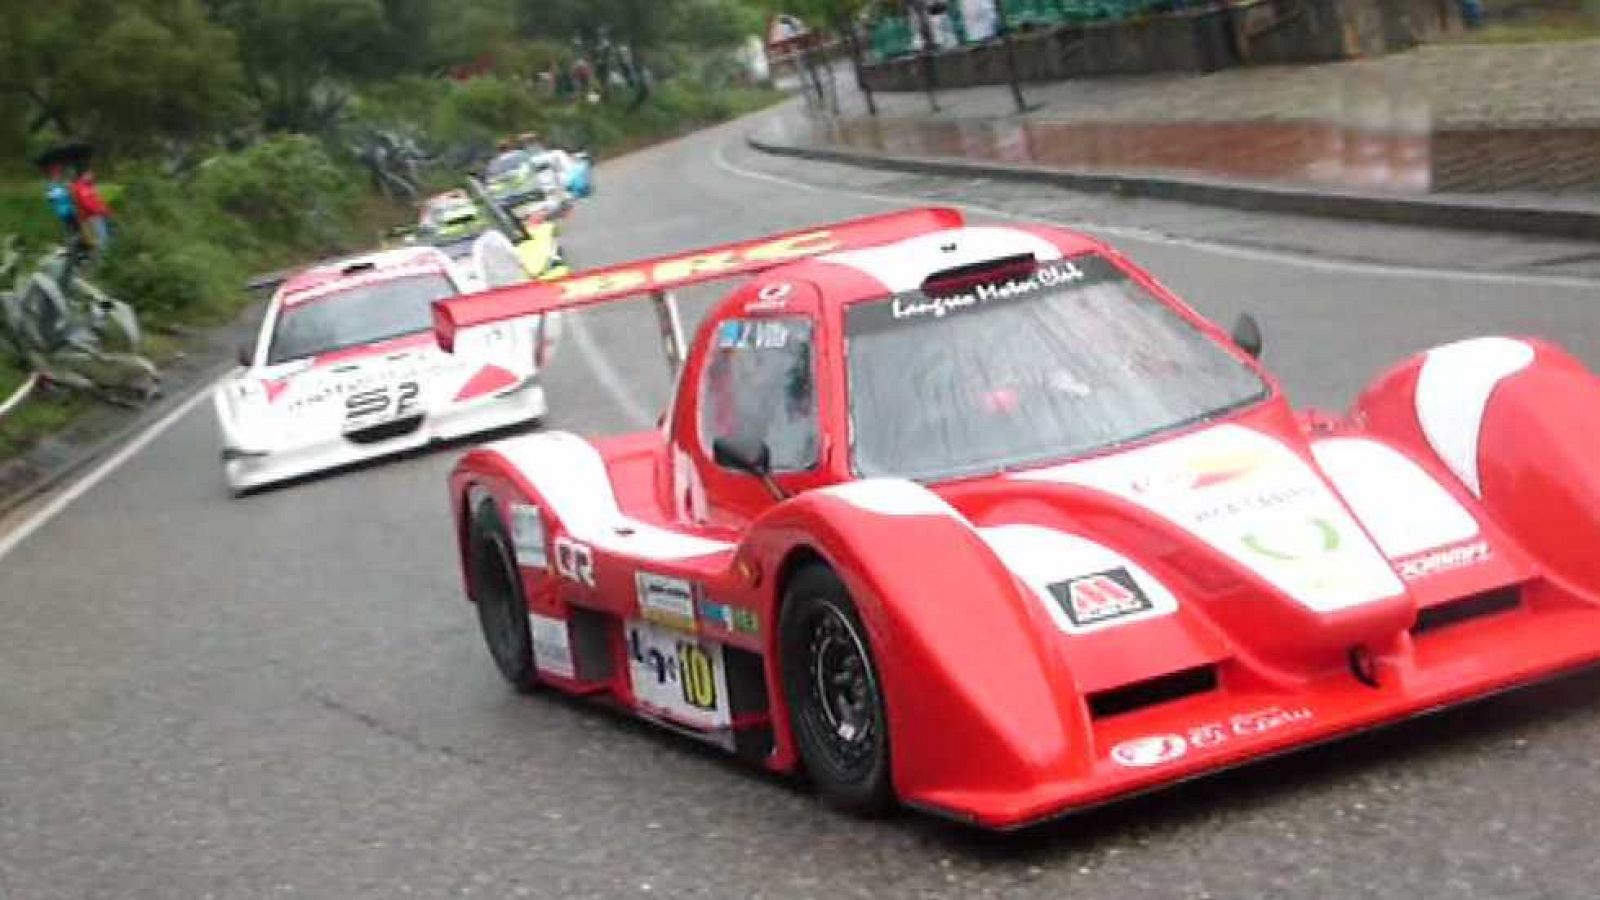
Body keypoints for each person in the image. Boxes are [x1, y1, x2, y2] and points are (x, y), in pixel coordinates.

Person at [70, 167, 112, 253]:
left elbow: (98, 199)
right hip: (91, 215)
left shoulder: (90, 185)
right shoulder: (81, 187)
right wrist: (100, 210)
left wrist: (106, 209)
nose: (92, 176)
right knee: (101, 235)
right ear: (84, 175)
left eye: (92, 174)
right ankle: (104, 254)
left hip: (98, 213)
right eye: (90, 174)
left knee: (104, 233)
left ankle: (106, 251)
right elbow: (87, 204)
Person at [44, 165, 78, 240]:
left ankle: (76, 239)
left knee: (75, 224)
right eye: (56, 174)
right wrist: (57, 202)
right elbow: (50, 199)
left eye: (59, 174)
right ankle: (70, 239)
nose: (58, 176)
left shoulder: (64, 184)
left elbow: (70, 195)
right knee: (67, 225)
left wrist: (69, 190)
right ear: (53, 175)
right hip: (61, 209)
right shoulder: (50, 186)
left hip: (70, 208)